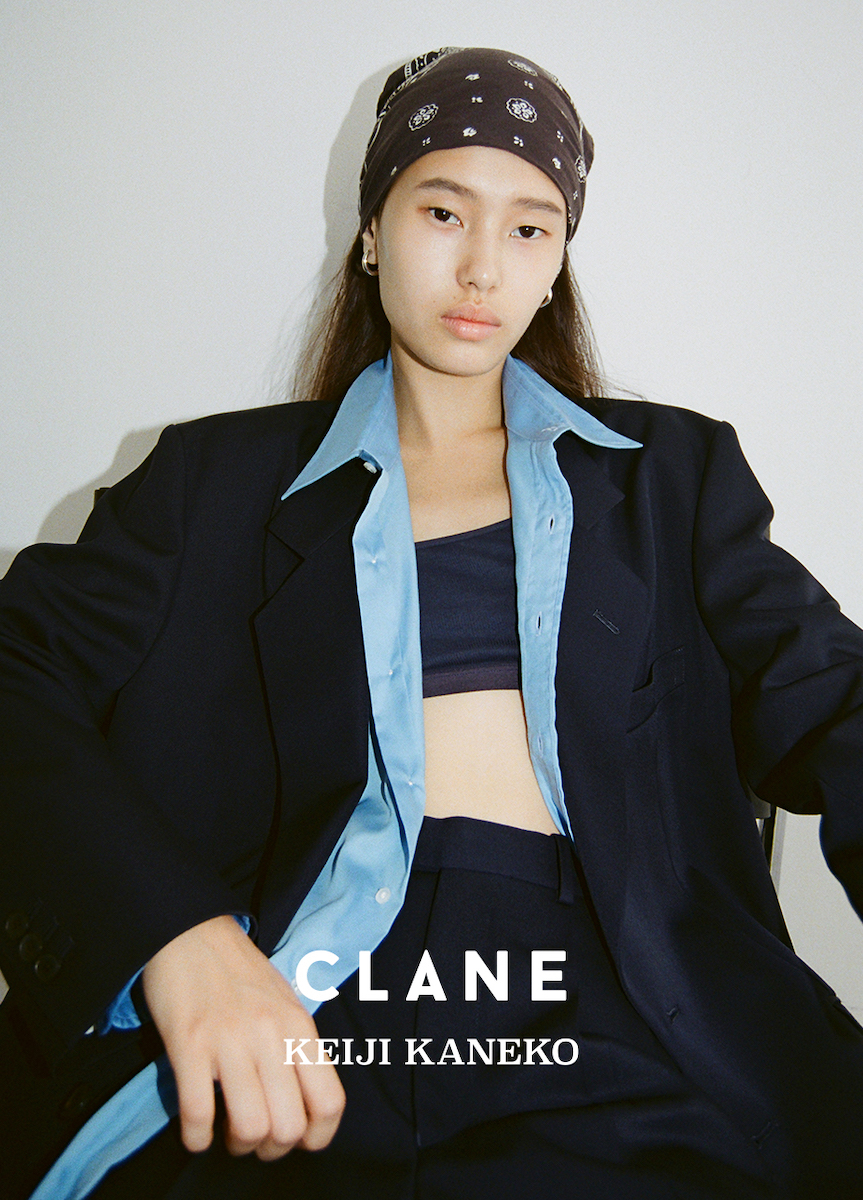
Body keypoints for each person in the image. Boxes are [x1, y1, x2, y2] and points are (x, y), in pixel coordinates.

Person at [1, 45, 863, 1200]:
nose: (480, 266)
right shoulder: (209, 485)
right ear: (371, 232)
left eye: (528, 228)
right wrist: (175, 938)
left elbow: (831, 696)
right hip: (287, 1002)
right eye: (442, 210)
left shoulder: (668, 478)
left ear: (555, 264)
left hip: (604, 1004)